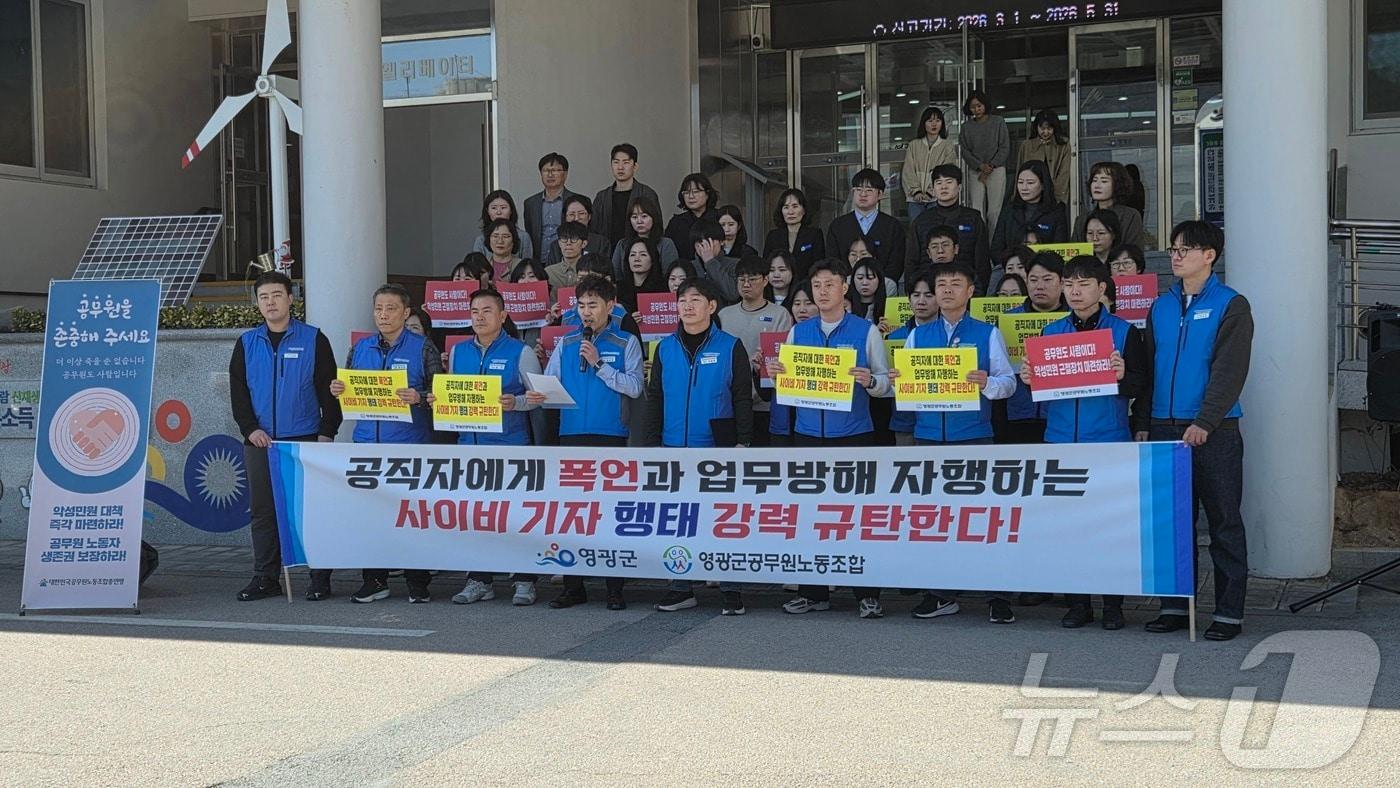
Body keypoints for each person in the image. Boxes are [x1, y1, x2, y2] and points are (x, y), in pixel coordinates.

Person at [1018, 256, 1148, 630]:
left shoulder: (1125, 333)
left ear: (1102, 288)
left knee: (1109, 527)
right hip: (1060, 440)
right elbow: (1039, 392)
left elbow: (1140, 384)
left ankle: (1113, 605)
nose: (1075, 291)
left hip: (1108, 439)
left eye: (1084, 284)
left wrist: (1124, 377)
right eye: (1070, 284)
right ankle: (1077, 604)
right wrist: (1029, 377)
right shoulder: (1050, 333)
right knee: (1068, 528)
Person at [1142, 221, 1253, 642]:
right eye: (1173, 249)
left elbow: (1230, 371)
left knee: (1223, 522)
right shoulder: (1160, 306)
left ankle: (1228, 612)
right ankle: (1174, 605)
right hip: (1163, 426)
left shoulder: (1232, 304)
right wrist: (1143, 422)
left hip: (1215, 430)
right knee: (1171, 524)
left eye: (1185, 249)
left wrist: (1205, 421)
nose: (1176, 256)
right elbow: (1150, 368)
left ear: (1209, 255)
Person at [890, 261, 1017, 624]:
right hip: (928, 437)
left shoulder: (986, 332)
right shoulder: (917, 334)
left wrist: (986, 384)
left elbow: (1008, 383)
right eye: (940, 284)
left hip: (973, 435)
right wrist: (900, 380)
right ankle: (941, 593)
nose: (946, 290)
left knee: (986, 519)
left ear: (970, 291)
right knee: (936, 520)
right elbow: (906, 387)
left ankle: (997, 595)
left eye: (954, 284)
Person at [765, 258, 891, 618]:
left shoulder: (864, 331)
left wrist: (870, 381)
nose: (822, 292)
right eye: (817, 286)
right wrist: (776, 375)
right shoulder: (798, 332)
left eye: (829, 285)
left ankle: (867, 594)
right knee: (809, 518)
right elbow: (787, 387)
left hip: (854, 435)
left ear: (844, 287)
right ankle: (813, 592)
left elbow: (886, 384)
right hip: (807, 435)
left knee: (857, 517)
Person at [531, 276, 645, 611]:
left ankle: (614, 587)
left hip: (610, 434)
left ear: (611, 306)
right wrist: (539, 393)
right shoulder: (566, 344)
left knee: (609, 514)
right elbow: (552, 384)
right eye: (580, 306)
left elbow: (635, 387)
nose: (586, 312)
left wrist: (599, 364)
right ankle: (573, 585)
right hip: (571, 433)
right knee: (574, 514)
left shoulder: (626, 342)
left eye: (593, 305)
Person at [229, 271, 342, 602]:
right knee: (263, 512)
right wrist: (251, 429)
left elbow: (329, 389)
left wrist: (326, 432)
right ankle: (265, 577)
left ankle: (319, 576)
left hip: (304, 440)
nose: (270, 302)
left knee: (309, 511)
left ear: (291, 299)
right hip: (261, 442)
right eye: (263, 297)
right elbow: (238, 393)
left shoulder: (313, 339)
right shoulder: (247, 343)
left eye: (277, 295)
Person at [646, 278, 754, 615]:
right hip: (673, 445)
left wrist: (743, 440)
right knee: (679, 521)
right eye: (682, 300)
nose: (687, 306)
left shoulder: (730, 345)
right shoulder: (664, 347)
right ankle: (681, 588)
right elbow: (655, 397)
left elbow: (741, 396)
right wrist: (652, 443)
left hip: (718, 446)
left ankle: (731, 590)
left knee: (721, 520)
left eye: (695, 299)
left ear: (712, 306)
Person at [330, 284, 441, 604]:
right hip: (366, 443)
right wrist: (338, 388)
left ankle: (417, 582)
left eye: (391, 308)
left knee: (412, 516)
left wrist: (420, 397)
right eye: (379, 308)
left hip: (409, 445)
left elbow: (440, 397)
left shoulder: (423, 348)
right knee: (370, 516)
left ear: (406, 313)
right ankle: (374, 580)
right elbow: (348, 389)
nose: (383, 314)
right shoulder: (361, 348)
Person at [444, 288, 544, 607]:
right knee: (476, 518)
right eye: (474, 311)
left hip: (510, 448)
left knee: (515, 517)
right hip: (470, 448)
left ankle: (525, 580)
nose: (479, 317)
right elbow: (453, 396)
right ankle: (480, 579)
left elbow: (540, 398)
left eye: (487, 311)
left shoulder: (521, 351)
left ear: (502, 316)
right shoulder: (459, 352)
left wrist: (516, 402)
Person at [719, 255, 794, 446]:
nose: (746, 284)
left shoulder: (779, 315)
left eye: (752, 279)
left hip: (764, 403)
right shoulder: (724, 315)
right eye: (741, 279)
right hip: (729, 401)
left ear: (765, 280)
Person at [998, 252, 1068, 445]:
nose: (1039, 286)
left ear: (1062, 283)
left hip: (1061, 417)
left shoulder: (1074, 321)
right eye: (1033, 279)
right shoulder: (1007, 320)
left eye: (1047, 279)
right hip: (1017, 413)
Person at [906, 164, 991, 294]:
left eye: (949, 182)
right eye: (938, 183)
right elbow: (911, 261)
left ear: (959, 187)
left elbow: (982, 262)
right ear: (933, 189)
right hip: (928, 290)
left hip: (963, 290)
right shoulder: (921, 220)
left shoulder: (973, 218)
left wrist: (978, 294)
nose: (943, 187)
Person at [883, 268, 939, 446]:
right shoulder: (894, 337)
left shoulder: (949, 336)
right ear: (908, 298)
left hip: (938, 420)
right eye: (916, 295)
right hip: (904, 419)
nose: (921, 301)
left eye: (929, 295)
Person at [826, 168, 907, 284]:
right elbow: (833, 260)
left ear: (880, 194)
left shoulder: (892, 226)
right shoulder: (838, 225)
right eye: (858, 189)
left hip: (884, 287)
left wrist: (882, 284)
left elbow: (897, 262)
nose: (863, 194)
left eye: (869, 190)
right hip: (846, 288)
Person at [992, 160, 1069, 265]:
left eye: (1030, 183)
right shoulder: (1009, 210)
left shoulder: (1056, 212)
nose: (1024, 187)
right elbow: (996, 249)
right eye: (1020, 182)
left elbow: (1060, 248)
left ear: (1043, 185)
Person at [770, 280, 817, 447]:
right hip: (784, 419)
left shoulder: (828, 340)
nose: (802, 309)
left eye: (808, 303)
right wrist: (761, 369)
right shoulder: (779, 339)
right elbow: (766, 390)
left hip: (815, 423)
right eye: (797, 303)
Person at [961, 89, 1011, 237]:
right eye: (972, 107)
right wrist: (980, 166)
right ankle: (980, 243)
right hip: (975, 171)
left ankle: (993, 244)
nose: (976, 109)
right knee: (977, 210)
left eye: (979, 106)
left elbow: (1005, 146)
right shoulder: (966, 127)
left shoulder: (998, 122)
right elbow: (965, 151)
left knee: (994, 211)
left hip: (996, 170)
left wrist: (991, 165)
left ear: (985, 105)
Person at [590, 143, 660, 250]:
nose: (620, 167)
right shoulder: (602, 197)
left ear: (635, 166)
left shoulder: (647, 194)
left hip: (639, 252)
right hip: (607, 253)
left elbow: (656, 228)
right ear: (611, 165)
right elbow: (594, 230)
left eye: (626, 162)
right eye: (616, 162)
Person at [901, 106, 958, 222]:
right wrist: (916, 191)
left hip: (938, 198)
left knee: (937, 230)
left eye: (937, 120)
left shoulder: (947, 146)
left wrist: (931, 192)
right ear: (924, 123)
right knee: (917, 229)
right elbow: (908, 171)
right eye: (930, 121)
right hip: (915, 199)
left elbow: (947, 172)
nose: (934, 124)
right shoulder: (914, 145)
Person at [1074, 162, 1145, 248]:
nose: (1097, 185)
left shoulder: (1130, 216)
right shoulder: (1082, 219)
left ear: (1118, 185)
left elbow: (1134, 252)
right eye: (1094, 180)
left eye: (1104, 181)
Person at [761, 187, 826, 281]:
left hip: (805, 287)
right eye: (786, 207)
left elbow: (818, 265)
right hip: (778, 286)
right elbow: (766, 265)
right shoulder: (773, 236)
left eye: (795, 206)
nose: (790, 212)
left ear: (803, 210)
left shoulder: (815, 235)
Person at [610, 195, 679, 277]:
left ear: (654, 218)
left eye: (644, 216)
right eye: (634, 217)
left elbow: (670, 276)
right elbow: (615, 276)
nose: (639, 221)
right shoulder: (622, 244)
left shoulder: (665, 244)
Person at [524, 152, 574, 265]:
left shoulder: (576, 201)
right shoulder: (530, 203)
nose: (550, 175)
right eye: (546, 171)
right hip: (538, 262)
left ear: (565, 174)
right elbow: (530, 232)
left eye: (555, 170)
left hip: (565, 262)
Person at [1016, 110, 1071, 206]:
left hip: (1055, 196)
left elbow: (1064, 173)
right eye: (1042, 128)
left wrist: (1058, 197)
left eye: (1049, 128)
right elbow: (1019, 171)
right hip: (1031, 195)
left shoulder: (1064, 144)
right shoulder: (1027, 145)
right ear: (1036, 127)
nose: (1045, 132)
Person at [545, 194, 610, 265]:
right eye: (571, 214)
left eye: (581, 213)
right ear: (565, 217)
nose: (576, 218)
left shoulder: (601, 243)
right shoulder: (556, 245)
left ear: (589, 216)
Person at [665, 172, 720, 253]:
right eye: (686, 192)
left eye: (696, 191)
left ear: (707, 193)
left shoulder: (720, 218)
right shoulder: (676, 222)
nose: (691, 196)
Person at [472, 190, 535, 260]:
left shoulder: (523, 237)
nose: (498, 212)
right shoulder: (480, 240)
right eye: (494, 208)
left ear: (511, 210)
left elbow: (527, 265)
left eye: (503, 207)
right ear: (487, 211)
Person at [690, 217, 740, 305]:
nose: (704, 246)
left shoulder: (735, 264)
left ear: (721, 241)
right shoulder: (689, 266)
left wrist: (710, 261)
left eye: (709, 241)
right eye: (699, 241)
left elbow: (732, 294)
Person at [615, 237, 668, 317]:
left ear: (653, 259)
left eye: (643, 254)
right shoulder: (618, 289)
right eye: (632, 255)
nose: (637, 259)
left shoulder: (663, 288)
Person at [544, 221, 590, 293]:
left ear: (584, 243)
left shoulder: (591, 272)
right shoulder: (548, 272)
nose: (568, 243)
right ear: (559, 243)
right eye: (564, 238)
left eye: (574, 238)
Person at [850, 258, 890, 325]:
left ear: (880, 280)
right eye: (860, 278)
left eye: (870, 278)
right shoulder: (845, 306)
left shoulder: (889, 308)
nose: (865, 283)